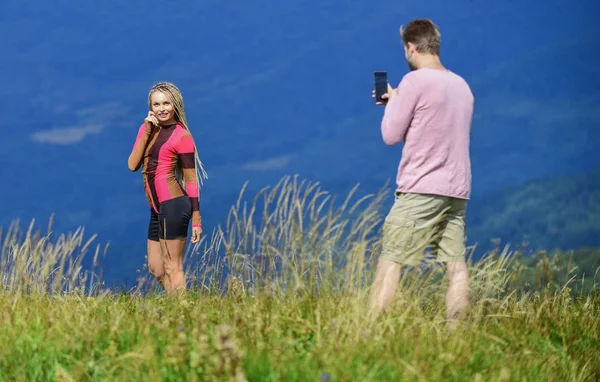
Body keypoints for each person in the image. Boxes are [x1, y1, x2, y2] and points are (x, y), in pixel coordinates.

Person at [369, 19, 474, 326]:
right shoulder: (462, 85)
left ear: (411, 46)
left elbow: (391, 135)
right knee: (456, 267)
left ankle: (370, 334)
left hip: (421, 188)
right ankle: (458, 336)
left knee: (391, 260)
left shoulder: (414, 82)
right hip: (456, 191)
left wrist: (394, 103)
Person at [128, 82, 207, 294]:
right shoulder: (146, 129)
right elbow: (132, 165)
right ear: (150, 107)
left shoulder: (182, 136)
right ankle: (178, 305)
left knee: (173, 266)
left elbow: (191, 179)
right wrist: (146, 130)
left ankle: (183, 314)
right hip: (156, 208)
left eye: (166, 103)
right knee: (156, 268)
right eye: (156, 104)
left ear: (175, 105)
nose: (161, 109)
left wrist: (197, 219)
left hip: (174, 205)